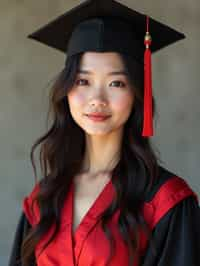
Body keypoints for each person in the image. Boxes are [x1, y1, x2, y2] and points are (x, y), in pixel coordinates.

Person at [8, 0, 200, 265]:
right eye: (83, 81)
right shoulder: (44, 197)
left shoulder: (164, 201)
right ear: (66, 91)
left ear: (136, 93)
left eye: (116, 83)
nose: (97, 98)